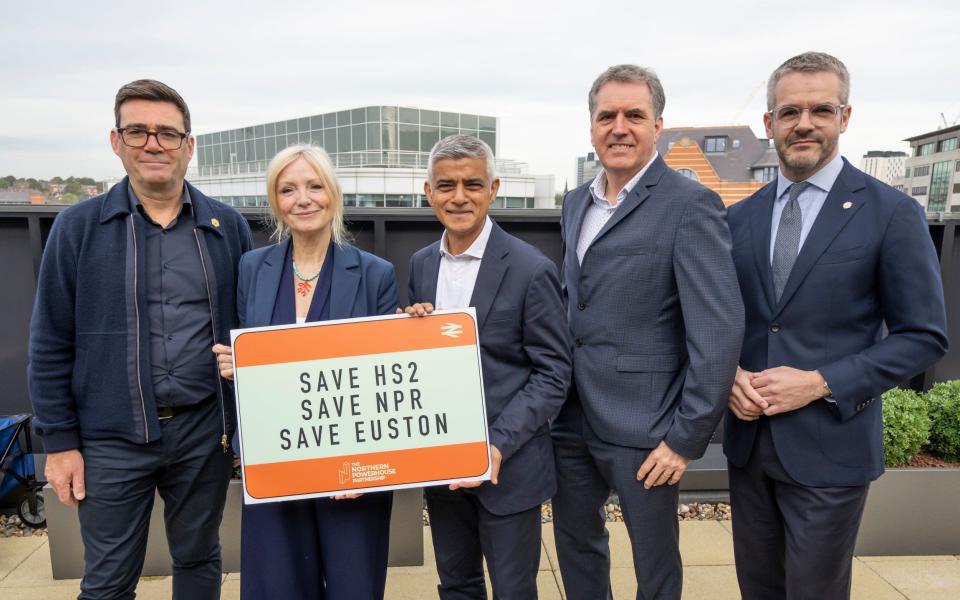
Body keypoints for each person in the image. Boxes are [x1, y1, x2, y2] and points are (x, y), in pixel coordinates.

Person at [724, 51, 948, 600]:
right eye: (789, 111)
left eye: (820, 110)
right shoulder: (738, 218)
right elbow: (722, 322)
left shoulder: (892, 213)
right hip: (748, 445)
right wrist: (726, 374)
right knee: (759, 588)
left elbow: (924, 336)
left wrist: (819, 381)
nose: (804, 123)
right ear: (769, 124)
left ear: (844, 118)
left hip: (831, 446)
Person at [28, 79, 252, 599]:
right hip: (109, 439)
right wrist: (59, 444)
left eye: (169, 134)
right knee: (107, 580)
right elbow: (48, 341)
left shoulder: (228, 227)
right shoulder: (77, 229)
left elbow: (251, 328)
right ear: (116, 141)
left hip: (204, 431)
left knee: (199, 559)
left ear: (189, 146)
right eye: (138, 131)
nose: (154, 144)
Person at [551, 64, 744, 600]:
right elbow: (577, 301)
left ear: (657, 125)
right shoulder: (576, 202)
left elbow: (719, 328)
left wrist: (685, 439)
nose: (619, 127)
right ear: (591, 127)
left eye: (634, 115)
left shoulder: (690, 204)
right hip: (571, 418)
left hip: (648, 425)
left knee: (654, 565)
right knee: (576, 545)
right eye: (606, 115)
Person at [213, 144, 398, 599]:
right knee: (277, 585)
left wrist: (364, 470)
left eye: (314, 185)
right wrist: (238, 366)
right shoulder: (251, 268)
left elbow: (386, 377)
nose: (304, 198)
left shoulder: (376, 274)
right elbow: (248, 352)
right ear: (276, 201)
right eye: (289, 189)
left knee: (353, 586)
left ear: (332, 194)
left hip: (351, 474)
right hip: (276, 461)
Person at [401, 135, 572, 599]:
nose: (459, 197)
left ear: (493, 189)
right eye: (446, 185)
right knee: (457, 584)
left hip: (509, 466)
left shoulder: (530, 268)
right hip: (442, 462)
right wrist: (407, 332)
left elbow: (554, 373)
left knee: (514, 590)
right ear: (428, 192)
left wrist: (496, 445)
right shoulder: (421, 265)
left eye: (472, 184)